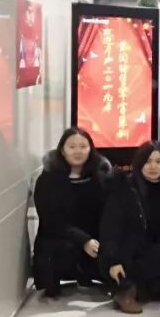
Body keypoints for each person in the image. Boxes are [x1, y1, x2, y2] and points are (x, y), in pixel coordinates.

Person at [99, 141, 160, 314]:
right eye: (148, 161)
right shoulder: (125, 187)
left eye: (159, 161)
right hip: (125, 250)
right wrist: (112, 261)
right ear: (139, 163)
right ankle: (124, 289)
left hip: (153, 249)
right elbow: (110, 227)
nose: (153, 167)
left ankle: (139, 287)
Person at [32, 127, 113, 298]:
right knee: (55, 249)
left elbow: (109, 213)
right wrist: (83, 240)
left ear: (90, 149)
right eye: (72, 146)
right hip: (58, 237)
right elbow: (51, 221)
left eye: (83, 146)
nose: (78, 151)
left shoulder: (101, 176)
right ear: (62, 150)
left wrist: (99, 239)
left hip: (94, 237)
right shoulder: (48, 179)